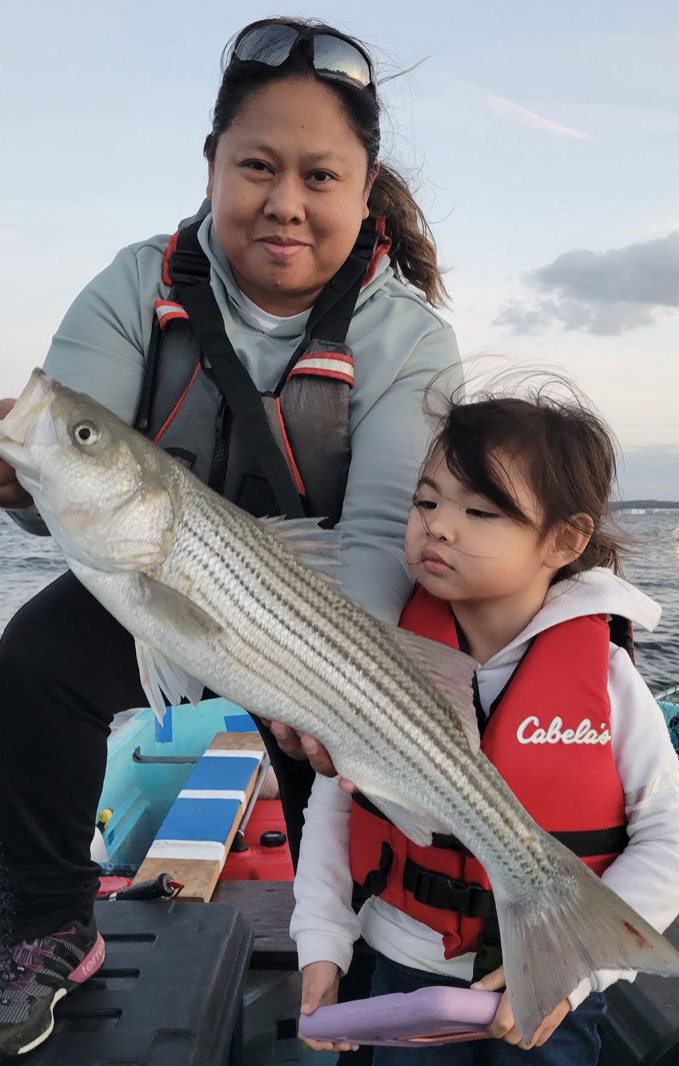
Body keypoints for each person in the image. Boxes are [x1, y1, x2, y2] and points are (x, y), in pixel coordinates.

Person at [0, 16, 461, 1060]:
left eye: (319, 176)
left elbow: (377, 531)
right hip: (156, 582)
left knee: (346, 799)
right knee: (39, 657)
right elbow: (76, 473)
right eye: (257, 168)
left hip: (321, 622)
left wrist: (328, 694)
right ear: (211, 168)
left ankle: (374, 943)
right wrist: (13, 475)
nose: (284, 202)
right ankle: (49, 920)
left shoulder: (406, 335)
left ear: (362, 191)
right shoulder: (132, 284)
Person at [291, 386, 679, 1064]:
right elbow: (335, 801)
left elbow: (669, 836)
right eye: (426, 501)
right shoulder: (383, 654)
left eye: (479, 510)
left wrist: (577, 971)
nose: (439, 526)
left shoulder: (609, 682)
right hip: (408, 969)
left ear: (564, 539)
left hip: (558, 992)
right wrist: (322, 944)